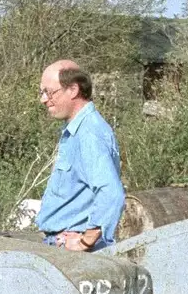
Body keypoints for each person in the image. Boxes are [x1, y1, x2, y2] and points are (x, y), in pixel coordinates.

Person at [35, 60, 126, 252]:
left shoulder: (89, 133)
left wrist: (86, 241)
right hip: (65, 246)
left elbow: (111, 193)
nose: (43, 99)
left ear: (73, 90)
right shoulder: (78, 130)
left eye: (49, 92)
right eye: (42, 92)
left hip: (75, 253)